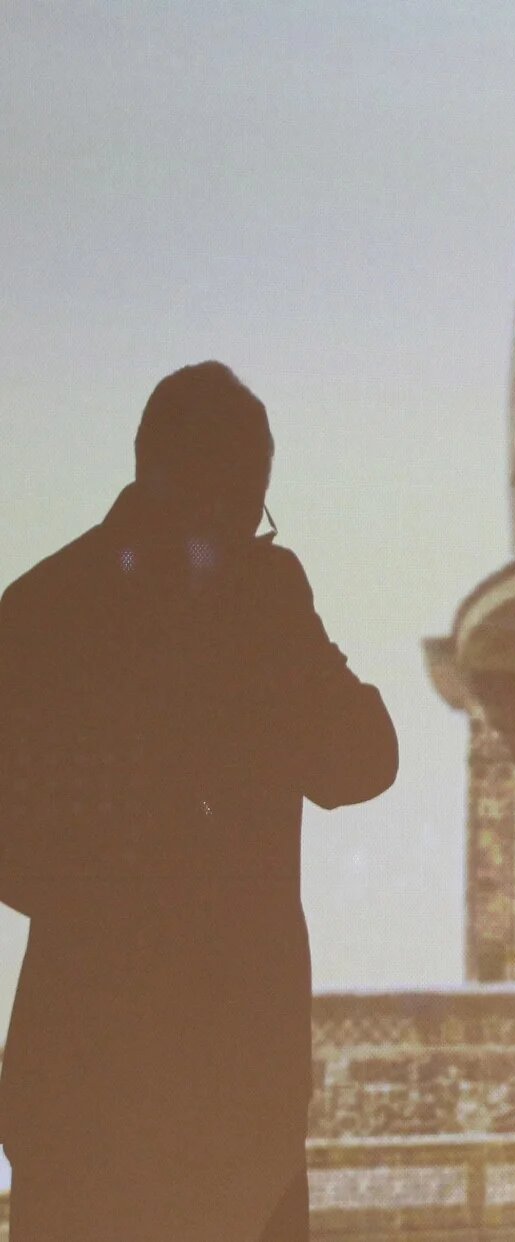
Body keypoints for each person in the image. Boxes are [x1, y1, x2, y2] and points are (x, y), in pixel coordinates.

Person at [0, 362, 399, 1240]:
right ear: (243, 488)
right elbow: (365, 759)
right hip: (230, 1097)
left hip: (75, 1083)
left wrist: (102, 903)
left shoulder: (35, 607)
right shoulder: (261, 600)